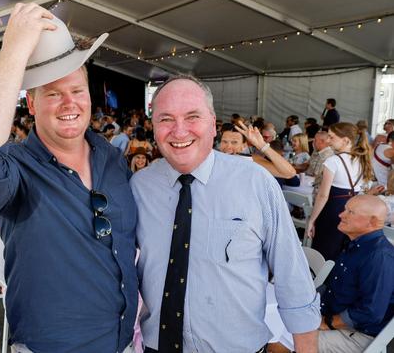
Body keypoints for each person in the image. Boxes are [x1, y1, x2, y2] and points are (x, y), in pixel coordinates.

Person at [0, 4, 137, 353]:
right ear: (32, 105)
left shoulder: (112, 159)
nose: (69, 102)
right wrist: (15, 50)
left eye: (77, 91)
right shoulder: (15, 169)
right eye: (52, 93)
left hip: (123, 344)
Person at [131, 74, 319, 353]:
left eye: (192, 116)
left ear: (212, 123)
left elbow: (292, 274)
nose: (179, 131)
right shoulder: (139, 186)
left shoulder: (255, 182)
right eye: (166, 119)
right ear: (153, 125)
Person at [317, 195, 394, 352]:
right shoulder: (356, 244)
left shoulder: (379, 256)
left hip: (358, 335)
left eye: (350, 212)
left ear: (372, 222)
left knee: (284, 339)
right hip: (331, 318)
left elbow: (370, 312)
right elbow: (334, 287)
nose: (341, 215)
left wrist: (327, 322)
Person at [306, 122, 374, 261]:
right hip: (355, 210)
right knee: (344, 251)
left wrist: (311, 220)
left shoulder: (333, 161)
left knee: (325, 250)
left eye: (331, 137)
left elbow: (323, 195)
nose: (328, 141)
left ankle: (320, 279)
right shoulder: (362, 159)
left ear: (346, 140)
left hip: (333, 209)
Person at [218, 125, 297, 179]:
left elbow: (289, 173)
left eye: (234, 142)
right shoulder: (213, 157)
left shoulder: (249, 160)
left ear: (244, 146)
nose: (228, 147)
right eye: (224, 142)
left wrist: (262, 145)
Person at [306, 131, 335, 197]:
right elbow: (308, 164)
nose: (313, 142)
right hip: (308, 182)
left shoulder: (328, 156)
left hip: (315, 187)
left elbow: (317, 175)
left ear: (322, 142)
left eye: (315, 140)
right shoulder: (316, 150)